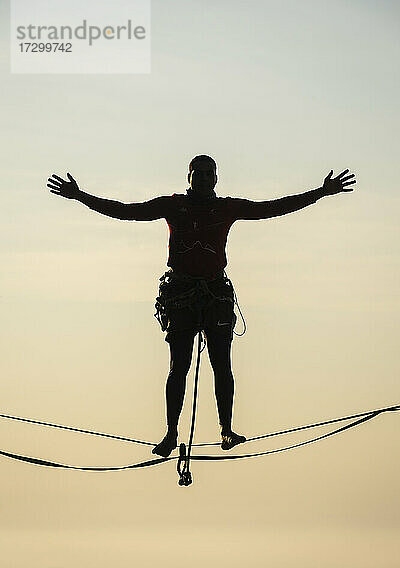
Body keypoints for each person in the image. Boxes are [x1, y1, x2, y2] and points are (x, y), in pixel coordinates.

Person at [47, 156, 356, 457]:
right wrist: (79, 196)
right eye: (199, 173)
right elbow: (128, 212)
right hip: (180, 294)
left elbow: (271, 209)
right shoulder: (172, 206)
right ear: (189, 177)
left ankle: (226, 429)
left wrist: (320, 192)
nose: (205, 179)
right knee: (178, 367)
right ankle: (171, 432)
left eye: (210, 174)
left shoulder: (227, 208)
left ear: (216, 179)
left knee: (222, 365)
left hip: (215, 295)